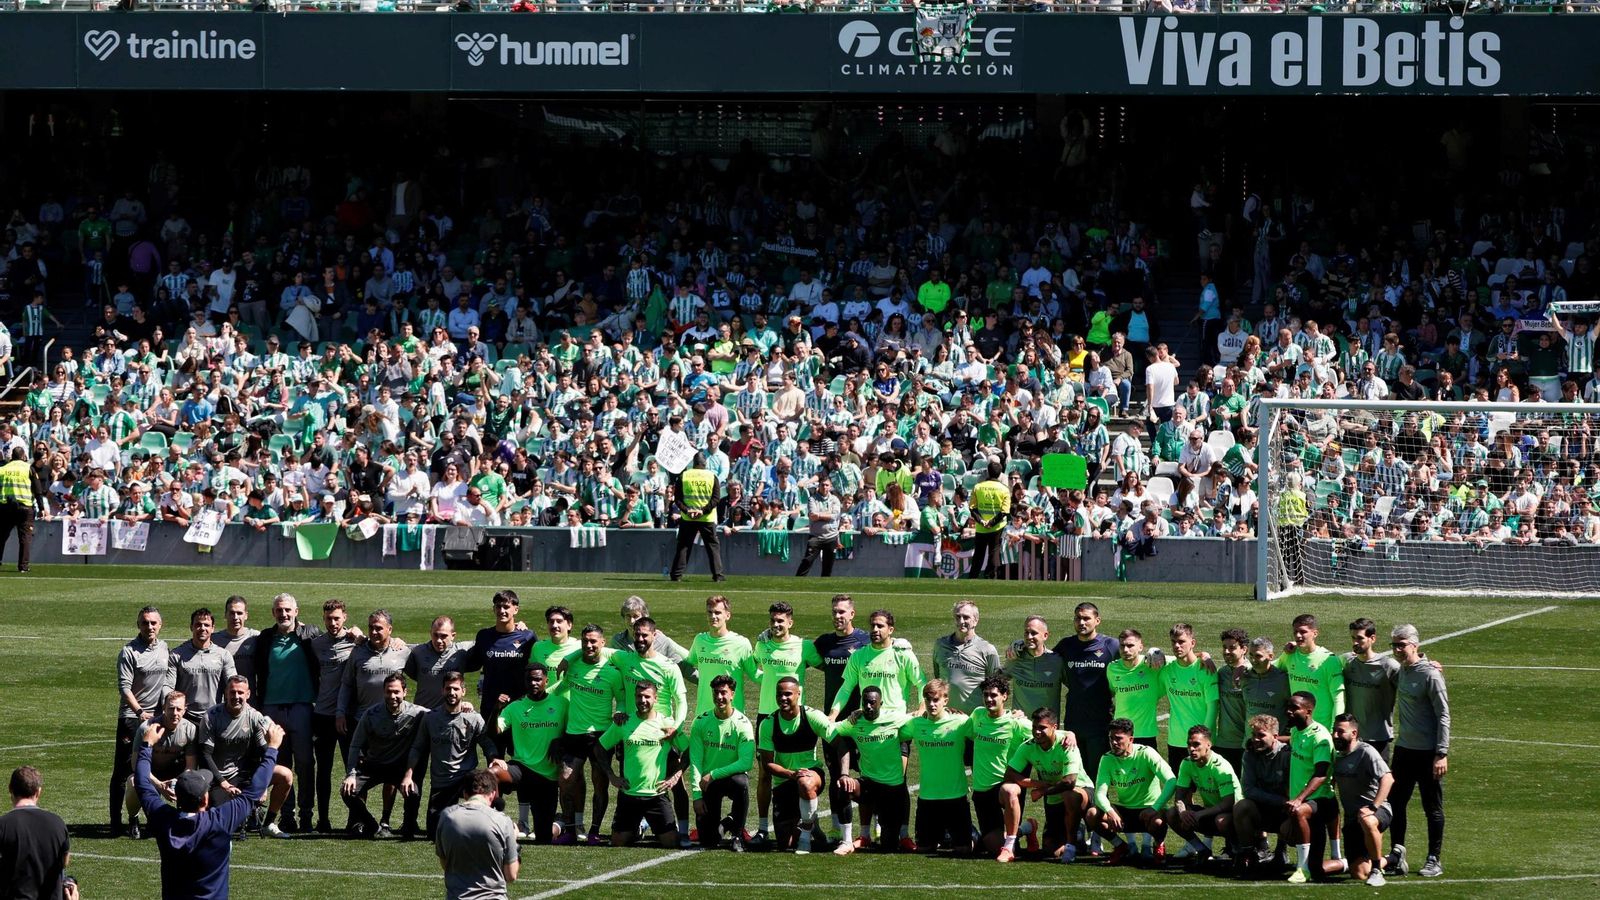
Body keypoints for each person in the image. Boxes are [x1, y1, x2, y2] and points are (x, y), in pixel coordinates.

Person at [138, 720, 286, 900]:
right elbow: (254, 791)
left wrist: (146, 745)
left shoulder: (163, 819)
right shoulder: (220, 821)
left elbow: (142, 783)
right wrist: (272, 748)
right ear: (205, 799)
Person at [742, 601, 822, 844]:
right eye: (772, 621)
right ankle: (764, 828)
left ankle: (811, 826)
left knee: (806, 770)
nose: (776, 625)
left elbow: (827, 666)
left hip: (798, 719)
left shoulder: (803, 646)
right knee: (765, 774)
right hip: (767, 717)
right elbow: (755, 669)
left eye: (780, 621)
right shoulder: (762, 645)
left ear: (790, 622)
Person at [251, 593, 322, 834]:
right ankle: (286, 816)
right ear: (273, 613)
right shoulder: (264, 638)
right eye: (279, 610)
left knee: (304, 764)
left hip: (302, 707)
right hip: (272, 710)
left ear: (296, 611)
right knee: (281, 766)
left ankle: (306, 816)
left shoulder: (310, 635)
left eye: (288, 610)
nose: (284, 614)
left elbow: (336, 639)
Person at [1384, 624, 1450, 880]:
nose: (1398, 650)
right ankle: (1397, 854)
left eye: (1402, 645)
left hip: (1427, 753)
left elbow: (1443, 714)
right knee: (1396, 803)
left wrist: (1441, 752)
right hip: (1404, 750)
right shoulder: (1402, 671)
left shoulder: (1431, 675)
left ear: (1415, 645)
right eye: (1394, 645)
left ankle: (1434, 858)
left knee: (1431, 806)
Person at [404, 671, 500, 838]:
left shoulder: (474, 718)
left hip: (467, 780)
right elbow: (417, 748)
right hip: (441, 782)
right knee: (434, 834)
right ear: (442, 690)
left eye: (456, 689)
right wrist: (408, 775)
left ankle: (495, 821)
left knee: (483, 826)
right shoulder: (430, 718)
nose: (452, 693)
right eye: (448, 688)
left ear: (464, 691)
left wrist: (494, 759)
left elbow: (487, 743)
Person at [595, 681, 689, 848]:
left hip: (656, 795)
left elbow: (689, 750)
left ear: (655, 698)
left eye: (647, 696)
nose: (643, 700)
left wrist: (675, 776)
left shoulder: (667, 724)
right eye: (639, 696)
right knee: (618, 843)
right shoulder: (624, 723)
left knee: (672, 843)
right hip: (629, 794)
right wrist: (612, 776)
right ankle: (638, 828)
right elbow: (600, 748)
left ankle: (645, 823)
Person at [202, 676, 294, 838]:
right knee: (220, 822)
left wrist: (263, 784)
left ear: (248, 694)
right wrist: (223, 783)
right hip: (218, 778)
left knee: (285, 774)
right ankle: (242, 813)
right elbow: (205, 755)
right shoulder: (212, 716)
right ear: (225, 693)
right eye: (232, 692)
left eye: (240, 692)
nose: (236, 696)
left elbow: (264, 752)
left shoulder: (254, 716)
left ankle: (269, 823)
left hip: (245, 775)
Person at [554, 624, 621, 846]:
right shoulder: (573, 667)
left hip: (601, 735)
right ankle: (571, 829)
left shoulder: (612, 672)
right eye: (585, 641)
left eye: (594, 641)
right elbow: (561, 688)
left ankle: (594, 831)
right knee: (565, 778)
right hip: (574, 733)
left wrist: (619, 712)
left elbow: (621, 700)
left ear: (603, 643)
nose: (589, 645)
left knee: (600, 782)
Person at [811, 595, 868, 848]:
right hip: (832, 721)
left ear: (852, 614)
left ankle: (871, 828)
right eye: (834, 611)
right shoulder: (824, 643)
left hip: (864, 720)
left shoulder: (865, 640)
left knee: (869, 774)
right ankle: (837, 828)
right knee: (836, 774)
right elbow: (801, 652)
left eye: (842, 612)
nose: (838, 616)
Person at [1000, 707, 1089, 863]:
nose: (1037, 732)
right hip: (1054, 796)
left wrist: (1042, 791)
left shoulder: (1067, 743)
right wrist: (1036, 783)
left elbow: (1070, 782)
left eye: (1042, 728)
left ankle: (1073, 840)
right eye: (1034, 727)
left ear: (1054, 727)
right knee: (1050, 850)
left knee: (1070, 796)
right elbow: (1010, 774)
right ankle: (1068, 833)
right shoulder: (1028, 746)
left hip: (1080, 792)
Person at [756, 676, 834, 854]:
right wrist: (791, 774)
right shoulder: (768, 723)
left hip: (810, 775)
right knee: (785, 844)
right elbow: (767, 764)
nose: (783, 698)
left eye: (788, 694)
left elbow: (838, 741)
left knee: (805, 783)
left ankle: (806, 837)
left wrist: (842, 773)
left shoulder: (812, 716)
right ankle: (812, 824)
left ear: (799, 694)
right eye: (779, 694)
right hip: (785, 781)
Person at [342, 673, 426, 839]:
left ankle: (408, 827)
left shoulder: (419, 713)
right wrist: (351, 774)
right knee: (347, 791)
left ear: (405, 692)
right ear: (383, 692)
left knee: (413, 792)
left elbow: (441, 714)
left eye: (396, 692)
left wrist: (465, 706)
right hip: (373, 766)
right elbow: (355, 745)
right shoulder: (371, 714)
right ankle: (371, 824)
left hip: (399, 769)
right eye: (388, 692)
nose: (392, 696)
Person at [113, 605, 172, 836]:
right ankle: (116, 822)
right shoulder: (129, 651)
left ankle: (148, 818)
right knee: (123, 770)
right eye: (145, 622)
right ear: (138, 625)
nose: (149, 627)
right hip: (132, 717)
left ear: (160, 625)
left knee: (150, 767)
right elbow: (124, 688)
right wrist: (139, 712)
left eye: (153, 623)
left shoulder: (165, 648)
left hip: (157, 718)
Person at [831, 686, 911, 855]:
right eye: (865, 702)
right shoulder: (855, 722)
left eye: (872, 703)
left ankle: (894, 834)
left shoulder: (896, 719)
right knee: (844, 786)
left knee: (889, 846)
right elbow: (830, 730)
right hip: (868, 785)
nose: (868, 706)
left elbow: (922, 721)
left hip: (892, 788)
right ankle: (846, 841)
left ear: (880, 703)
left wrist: (948, 712)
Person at [1088, 717, 1175, 866]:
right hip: (1124, 813)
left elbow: (1172, 781)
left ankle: (1159, 844)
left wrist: (1155, 808)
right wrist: (1110, 811)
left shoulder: (1146, 753)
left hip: (1148, 812)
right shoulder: (1107, 759)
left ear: (1131, 739)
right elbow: (1100, 793)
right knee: (1092, 814)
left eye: (1118, 738)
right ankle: (1121, 846)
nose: (1114, 743)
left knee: (1158, 822)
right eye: (1111, 738)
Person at [497, 663, 567, 843]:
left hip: (547, 777)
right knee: (492, 774)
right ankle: (493, 822)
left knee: (544, 838)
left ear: (546, 681)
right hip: (521, 768)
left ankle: (558, 824)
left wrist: (561, 740)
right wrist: (495, 710)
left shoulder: (561, 704)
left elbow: (575, 730)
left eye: (538, 679)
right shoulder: (515, 707)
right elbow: (494, 730)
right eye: (529, 679)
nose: (533, 683)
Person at [309, 600, 361, 833]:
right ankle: (323, 819)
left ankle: (355, 820)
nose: (333, 623)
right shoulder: (316, 645)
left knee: (354, 768)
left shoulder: (355, 642)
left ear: (345, 618)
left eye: (337, 618)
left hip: (348, 716)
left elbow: (382, 644)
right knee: (324, 769)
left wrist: (399, 641)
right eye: (329, 618)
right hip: (322, 715)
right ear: (324, 619)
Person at [962, 674, 1030, 854]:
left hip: (1004, 786)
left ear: (1004, 696)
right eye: (986, 695)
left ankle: (1014, 838)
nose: (989, 699)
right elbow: (963, 729)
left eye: (993, 695)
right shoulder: (977, 715)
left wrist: (1068, 734)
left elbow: (1044, 733)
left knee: (1009, 791)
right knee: (993, 847)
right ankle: (1026, 828)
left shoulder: (1016, 722)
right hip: (982, 789)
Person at [901, 679, 971, 854]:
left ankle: (974, 834)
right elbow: (890, 728)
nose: (931, 704)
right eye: (927, 700)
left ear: (945, 700)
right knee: (924, 849)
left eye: (936, 700)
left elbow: (986, 729)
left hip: (956, 797)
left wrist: (1012, 715)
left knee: (963, 850)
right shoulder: (915, 724)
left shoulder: (962, 722)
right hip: (928, 798)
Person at [1154, 724, 1240, 865]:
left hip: (1232, 815)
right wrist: (1183, 812)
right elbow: (1179, 796)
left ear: (1209, 745)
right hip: (1210, 813)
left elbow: (1228, 803)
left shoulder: (1220, 767)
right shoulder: (1187, 763)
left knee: (1221, 820)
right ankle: (1201, 849)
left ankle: (1239, 852)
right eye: (1189, 745)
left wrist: (1199, 815)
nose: (1192, 749)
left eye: (1196, 744)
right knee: (1172, 813)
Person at [688, 674, 756, 851]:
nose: (719, 697)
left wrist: (714, 774)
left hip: (729, 778)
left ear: (732, 694)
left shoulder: (742, 724)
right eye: (716, 693)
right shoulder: (701, 722)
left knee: (741, 782)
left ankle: (738, 835)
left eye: (723, 693)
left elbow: (746, 763)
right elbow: (695, 761)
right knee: (709, 842)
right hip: (709, 785)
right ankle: (728, 822)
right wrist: (696, 796)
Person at [1327, 714, 1393, 886]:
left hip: (1377, 811)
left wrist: (1373, 807)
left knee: (1368, 821)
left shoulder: (1366, 751)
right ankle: (1393, 858)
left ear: (1354, 733)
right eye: (1334, 731)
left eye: (1340, 732)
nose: (1335, 735)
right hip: (1352, 820)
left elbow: (1388, 779)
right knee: (1359, 873)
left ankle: (1377, 870)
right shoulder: (1336, 756)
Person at [123, 692, 199, 842]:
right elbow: (135, 765)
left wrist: (176, 782)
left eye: (179, 709)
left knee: (196, 782)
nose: (175, 713)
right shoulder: (147, 728)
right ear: (163, 708)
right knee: (132, 782)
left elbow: (191, 767)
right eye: (171, 708)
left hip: (176, 776)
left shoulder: (190, 729)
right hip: (150, 775)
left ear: (185, 710)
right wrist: (159, 784)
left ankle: (185, 819)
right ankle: (133, 819)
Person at [435, 769, 519, 900]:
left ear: (465, 794)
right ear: (493, 794)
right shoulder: (502, 821)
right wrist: (514, 842)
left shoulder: (447, 817)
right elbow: (511, 875)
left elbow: (446, 864)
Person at [1282, 691, 1337, 884]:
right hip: (1307, 800)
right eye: (1288, 707)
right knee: (1318, 869)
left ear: (1308, 711)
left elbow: (1321, 775)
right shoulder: (1296, 731)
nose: (1289, 711)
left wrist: (1299, 799)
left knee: (1298, 812)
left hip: (1320, 800)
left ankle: (1301, 867)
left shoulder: (1319, 737)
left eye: (1294, 708)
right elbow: (1293, 740)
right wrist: (1273, 740)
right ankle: (1347, 863)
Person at [829, 609, 924, 720]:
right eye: (873, 626)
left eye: (880, 626)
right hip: (867, 718)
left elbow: (921, 683)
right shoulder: (858, 655)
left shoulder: (903, 654)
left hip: (896, 720)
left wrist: (922, 708)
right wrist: (833, 714)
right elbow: (846, 688)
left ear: (890, 630)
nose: (875, 629)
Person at [464, 590, 534, 731]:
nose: (502, 610)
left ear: (516, 609)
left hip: (520, 705)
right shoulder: (484, 636)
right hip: (491, 704)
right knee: (493, 752)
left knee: (519, 752)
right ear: (493, 609)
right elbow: (473, 663)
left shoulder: (528, 637)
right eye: (498, 606)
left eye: (506, 607)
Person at [1232, 713, 1291, 875]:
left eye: (1261, 735)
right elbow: (1248, 789)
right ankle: (1248, 853)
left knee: (1294, 812)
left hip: (1285, 812)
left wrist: (1285, 802)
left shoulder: (1287, 755)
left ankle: (1282, 850)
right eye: (1253, 735)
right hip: (1266, 808)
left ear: (1275, 737)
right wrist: (1280, 800)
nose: (1256, 739)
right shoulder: (1249, 753)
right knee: (1241, 806)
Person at [0, 766, 71, 900]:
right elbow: (64, 862)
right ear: (38, 792)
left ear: (10, 789)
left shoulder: (3, 825)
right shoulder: (57, 823)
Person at [1159, 623, 1219, 774]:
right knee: (1181, 788)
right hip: (1176, 741)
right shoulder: (1167, 671)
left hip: (1201, 742)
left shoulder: (1206, 670)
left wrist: (1205, 739)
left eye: (1181, 642)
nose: (1177, 646)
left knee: (1209, 789)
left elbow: (1213, 708)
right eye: (1173, 642)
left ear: (1192, 643)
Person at [1342, 618, 1399, 759]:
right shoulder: (1347, 663)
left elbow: (1411, 678)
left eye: (1360, 638)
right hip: (1352, 736)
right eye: (1353, 638)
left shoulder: (1388, 666)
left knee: (1380, 780)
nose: (1355, 642)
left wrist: (1427, 664)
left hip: (1378, 737)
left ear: (1372, 638)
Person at [931, 601, 1002, 715]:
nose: (961, 621)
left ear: (976, 621)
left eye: (966, 617)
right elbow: (938, 678)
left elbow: (996, 686)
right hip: (947, 717)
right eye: (958, 617)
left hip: (975, 718)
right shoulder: (940, 645)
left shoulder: (987, 650)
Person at [169, 609, 236, 726]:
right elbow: (168, 686)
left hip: (214, 717)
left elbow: (233, 683)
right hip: (185, 718)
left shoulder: (223, 655)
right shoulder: (177, 654)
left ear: (212, 628)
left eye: (206, 625)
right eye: (198, 625)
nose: (202, 628)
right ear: (191, 627)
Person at [671, 453, 725, 581]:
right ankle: (718, 575)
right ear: (705, 463)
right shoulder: (712, 476)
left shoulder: (684, 476)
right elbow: (716, 499)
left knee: (684, 546)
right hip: (706, 518)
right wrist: (703, 511)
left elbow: (678, 499)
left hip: (688, 517)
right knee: (712, 547)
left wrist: (688, 510)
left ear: (693, 463)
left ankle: (676, 575)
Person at [1005, 616, 1064, 722]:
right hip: (1020, 726)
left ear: (1045, 635)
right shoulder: (1015, 658)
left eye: (1034, 633)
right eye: (1026, 633)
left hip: (1047, 728)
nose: (1029, 636)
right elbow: (997, 682)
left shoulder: (1057, 661)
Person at [968, 460, 1010, 579]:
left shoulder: (978, 487)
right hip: (997, 526)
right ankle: (990, 577)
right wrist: (991, 523)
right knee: (994, 552)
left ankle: (972, 578)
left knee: (979, 554)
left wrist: (982, 521)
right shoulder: (1004, 489)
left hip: (981, 526)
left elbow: (972, 508)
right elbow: (1004, 511)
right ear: (1000, 473)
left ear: (988, 472)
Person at [0, 446, 37, 574]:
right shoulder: (28, 468)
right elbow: (37, 489)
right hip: (24, 507)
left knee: (1, 537)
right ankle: (23, 566)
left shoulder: (3, 469)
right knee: (25, 538)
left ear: (12, 457)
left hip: (5, 507)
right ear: (23, 456)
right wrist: (42, 507)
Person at [795, 477, 842, 577]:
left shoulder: (835, 500)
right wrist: (827, 515)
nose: (824, 487)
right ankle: (798, 582)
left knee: (828, 567)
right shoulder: (812, 499)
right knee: (807, 561)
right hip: (816, 537)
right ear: (818, 486)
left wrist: (819, 515)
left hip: (831, 537)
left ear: (830, 487)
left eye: (827, 485)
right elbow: (812, 515)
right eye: (822, 485)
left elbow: (834, 516)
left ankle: (824, 588)